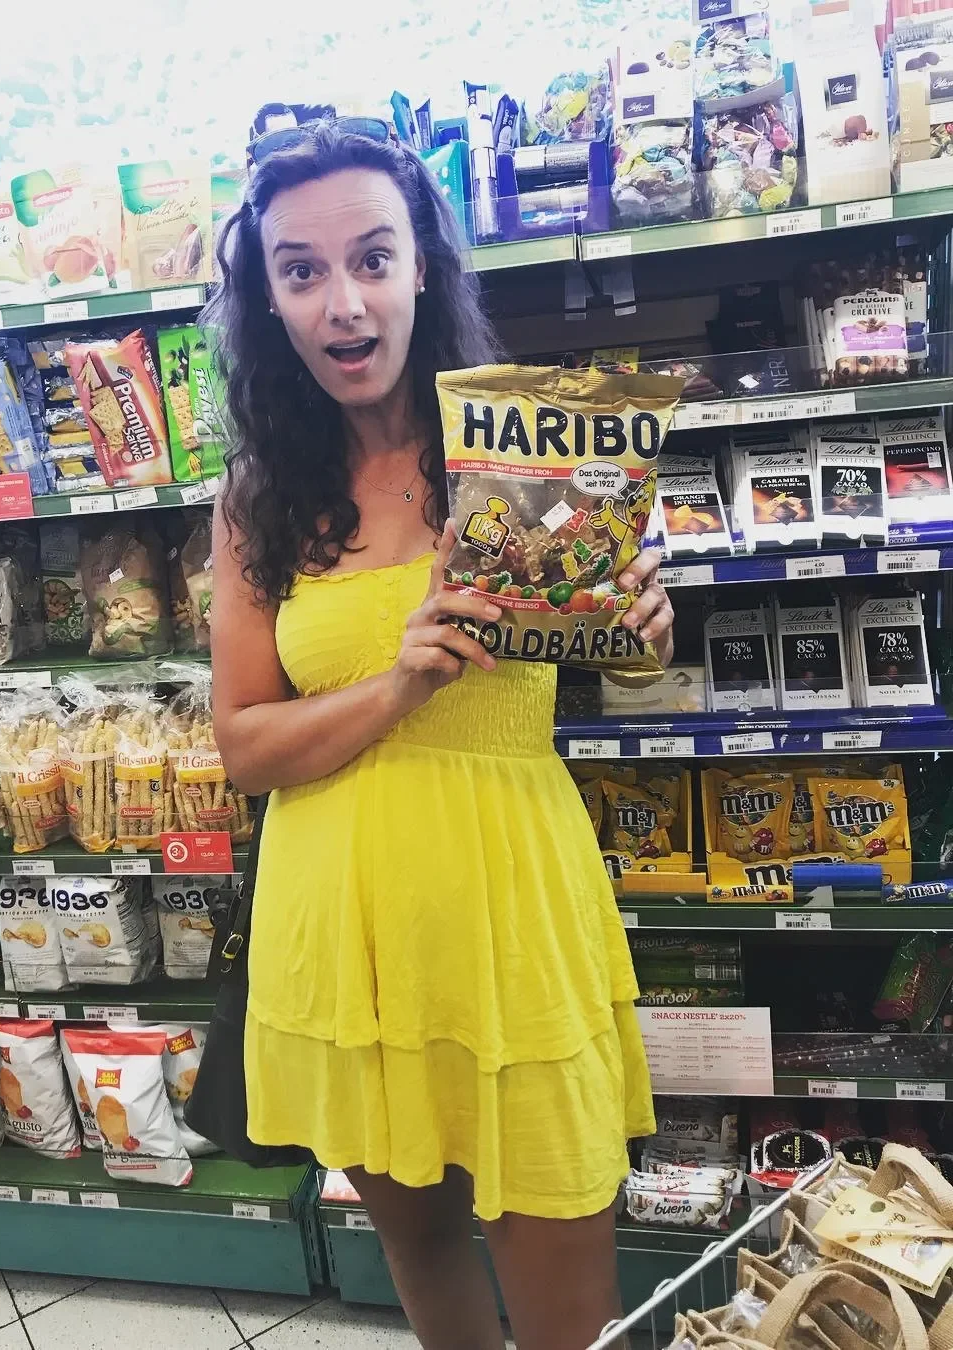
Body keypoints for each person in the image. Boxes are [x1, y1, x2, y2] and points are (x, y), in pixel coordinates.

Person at [207, 120, 674, 1350]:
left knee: (565, 1284)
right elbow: (244, 745)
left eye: (372, 257)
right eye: (300, 271)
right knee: (425, 1264)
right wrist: (398, 684)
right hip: (345, 936)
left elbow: (614, 669)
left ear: (425, 266)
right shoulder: (260, 495)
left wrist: (639, 623)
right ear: (267, 297)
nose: (342, 301)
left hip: (511, 911)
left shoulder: (532, 457)